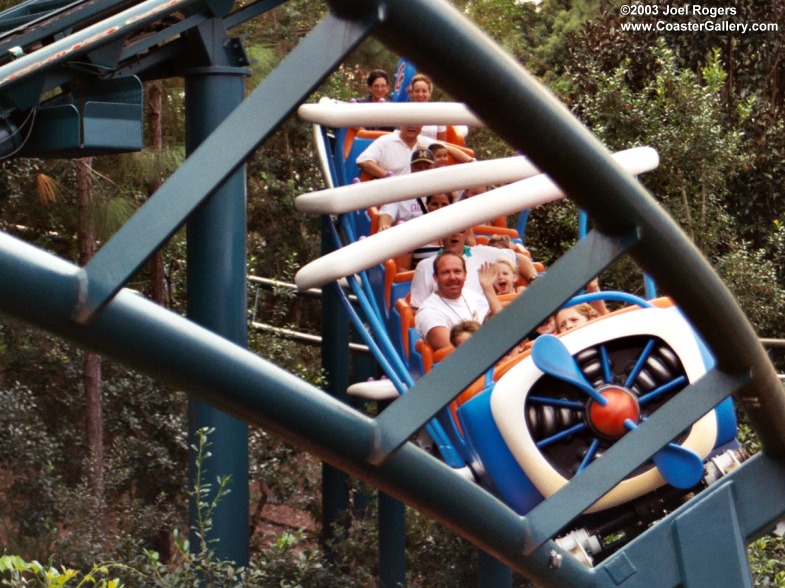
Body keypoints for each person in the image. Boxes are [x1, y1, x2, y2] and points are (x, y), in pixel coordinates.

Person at [409, 228, 538, 308]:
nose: (455, 234)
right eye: (449, 230)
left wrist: (534, 279)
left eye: (460, 230)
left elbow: (520, 259)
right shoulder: (425, 267)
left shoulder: (483, 253)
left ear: (467, 233)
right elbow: (418, 310)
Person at [415, 252, 489, 350]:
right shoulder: (429, 312)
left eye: (457, 271)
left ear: (465, 275)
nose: (452, 277)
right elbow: (456, 354)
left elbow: (500, 327)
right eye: (445, 273)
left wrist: (489, 290)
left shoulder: (473, 296)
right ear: (435, 277)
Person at [376, 148, 435, 232]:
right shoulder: (400, 191)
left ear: (434, 168)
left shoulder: (444, 190)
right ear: (411, 169)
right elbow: (387, 214)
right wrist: (384, 226)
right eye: (419, 168)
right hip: (409, 238)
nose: (423, 171)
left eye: (427, 167)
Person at [396, 192, 452, 271]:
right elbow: (403, 268)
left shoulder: (461, 230)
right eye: (434, 204)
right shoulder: (413, 232)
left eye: (444, 204)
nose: (439, 208)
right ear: (427, 206)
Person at [356, 124, 427, 180]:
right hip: (391, 192)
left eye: (417, 122)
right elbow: (363, 160)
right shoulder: (385, 140)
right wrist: (387, 176)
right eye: (409, 121)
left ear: (422, 125)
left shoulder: (427, 142)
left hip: (419, 192)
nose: (413, 125)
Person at [408, 73, 446, 141]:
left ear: (429, 93)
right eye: (417, 91)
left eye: (424, 91)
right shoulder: (405, 111)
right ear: (412, 93)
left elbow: (441, 142)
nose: (420, 94)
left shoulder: (438, 113)